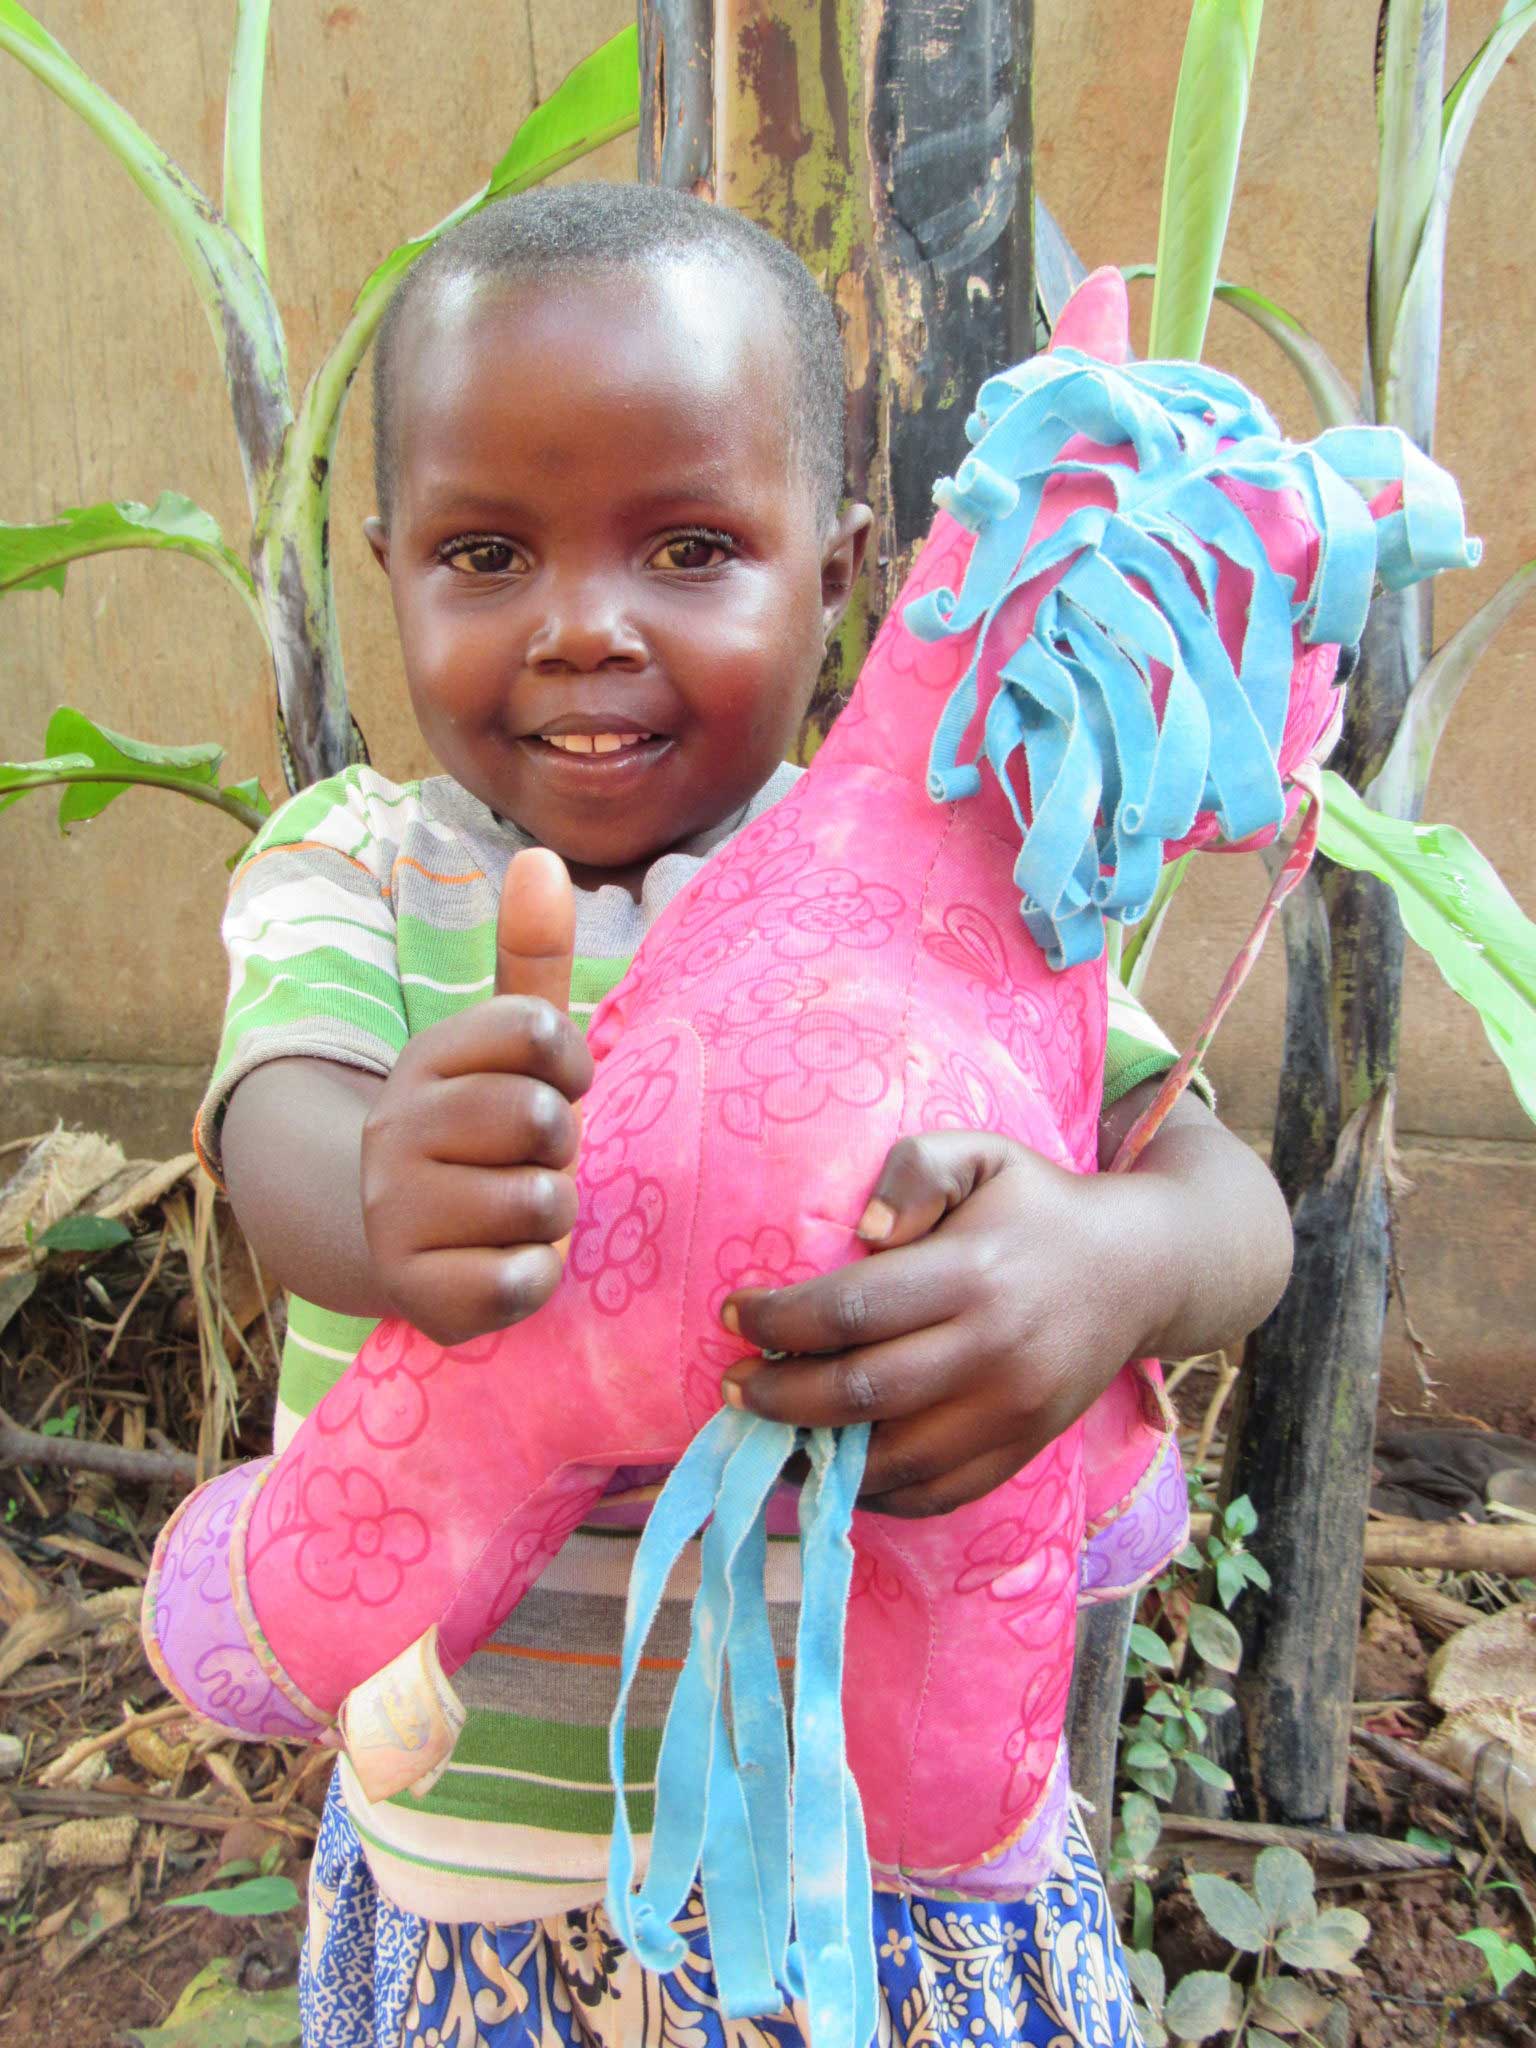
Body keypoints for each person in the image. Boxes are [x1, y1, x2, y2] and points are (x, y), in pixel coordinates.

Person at [196, 184, 1293, 2048]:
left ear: (841, 565)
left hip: (878, 1888)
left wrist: (1110, 1257)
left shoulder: (936, 899)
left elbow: (1225, 1198)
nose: (583, 631)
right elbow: (271, 1132)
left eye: (691, 547)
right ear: (383, 564)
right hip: (487, 1872)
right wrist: (388, 1193)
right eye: (485, 557)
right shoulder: (366, 870)